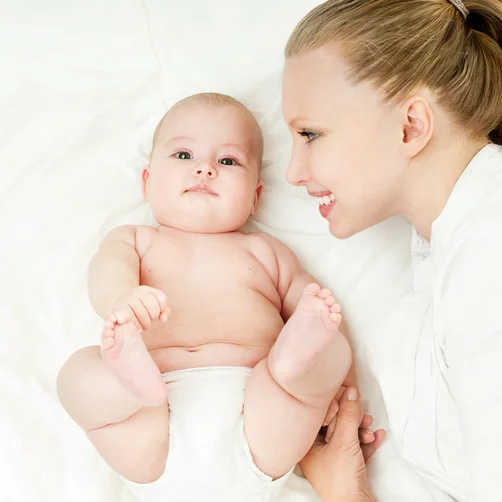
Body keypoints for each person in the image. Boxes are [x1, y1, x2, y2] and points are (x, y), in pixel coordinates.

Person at [281, 0, 502, 500]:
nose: (292, 172)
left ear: (411, 125)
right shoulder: (473, 243)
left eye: (310, 134)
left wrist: (345, 493)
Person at [55, 92, 371, 502]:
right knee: (77, 375)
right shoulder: (135, 241)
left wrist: (343, 391)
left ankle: (291, 369)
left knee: (328, 345)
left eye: (228, 161)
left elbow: (320, 310)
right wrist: (122, 297)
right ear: (148, 182)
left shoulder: (266, 252)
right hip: (156, 410)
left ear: (255, 197)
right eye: (184, 155)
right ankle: (129, 390)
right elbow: (106, 269)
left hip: (256, 404)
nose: (204, 168)